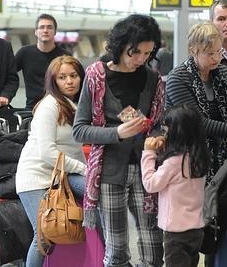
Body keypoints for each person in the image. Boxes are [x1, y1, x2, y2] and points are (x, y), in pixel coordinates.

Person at [72, 14, 165, 267]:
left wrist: (156, 137)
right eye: (136, 52)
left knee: (153, 247)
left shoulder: (153, 78)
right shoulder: (96, 75)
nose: (141, 59)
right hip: (110, 171)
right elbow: (79, 130)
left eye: (147, 53)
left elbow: (159, 124)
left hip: (147, 170)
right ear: (121, 45)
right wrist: (117, 133)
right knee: (116, 250)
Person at [166, 22, 227, 179]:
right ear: (193, 51)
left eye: (219, 51)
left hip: (222, 154)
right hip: (186, 155)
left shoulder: (223, 73)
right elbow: (198, 123)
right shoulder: (177, 78)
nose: (217, 58)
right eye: (209, 54)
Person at [16, 55, 86, 267]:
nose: (69, 81)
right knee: (44, 235)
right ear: (53, 81)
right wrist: (84, 168)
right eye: (62, 77)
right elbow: (47, 151)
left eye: (73, 76)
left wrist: (88, 169)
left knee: (98, 193)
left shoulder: (73, 105)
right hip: (36, 176)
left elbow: (74, 149)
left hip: (61, 175)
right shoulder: (49, 105)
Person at [141, 105, 209, 267]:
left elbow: (151, 184)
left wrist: (148, 153)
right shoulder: (198, 157)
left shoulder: (174, 162)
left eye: (167, 129)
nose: (164, 133)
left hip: (176, 233)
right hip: (196, 229)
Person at [15, 14, 70, 110]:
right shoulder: (24, 53)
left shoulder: (65, 56)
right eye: (41, 27)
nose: (45, 30)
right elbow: (8, 73)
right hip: (32, 109)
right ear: (36, 32)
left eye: (50, 27)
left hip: (60, 108)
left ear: (55, 32)